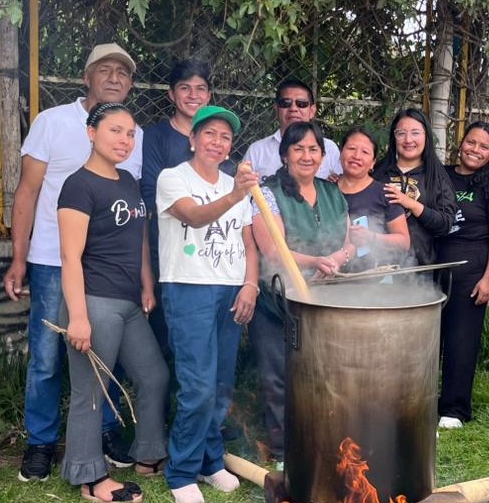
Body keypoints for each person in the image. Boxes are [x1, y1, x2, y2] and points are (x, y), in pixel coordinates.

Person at [3, 42, 143, 481]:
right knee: (47, 356)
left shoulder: (131, 134)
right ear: (87, 78)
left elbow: (129, 208)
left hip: (105, 270)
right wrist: (19, 258)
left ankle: (104, 432)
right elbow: (27, 192)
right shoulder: (52, 122)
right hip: (52, 260)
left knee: (106, 353)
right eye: (105, 70)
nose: (115, 78)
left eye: (123, 72)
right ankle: (40, 442)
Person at [57, 102, 168, 503]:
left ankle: (148, 454)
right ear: (92, 133)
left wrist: (146, 284)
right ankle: (89, 478)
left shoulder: (128, 182)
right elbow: (69, 257)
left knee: (154, 376)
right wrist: (78, 317)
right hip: (94, 300)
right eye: (115, 131)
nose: (125, 140)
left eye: (130, 133)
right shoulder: (78, 185)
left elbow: (139, 239)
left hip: (128, 301)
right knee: (91, 391)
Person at [156, 105, 260, 503]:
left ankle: (209, 460)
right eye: (210, 134)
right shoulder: (173, 178)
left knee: (220, 385)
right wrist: (236, 194)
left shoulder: (235, 184)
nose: (217, 142)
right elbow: (194, 217)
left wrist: (250, 285)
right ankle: (181, 471)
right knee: (197, 386)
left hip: (231, 289)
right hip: (189, 288)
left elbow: (248, 242)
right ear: (193, 139)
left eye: (225, 137)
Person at [251, 121, 355, 466]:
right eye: (298, 149)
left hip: (324, 300)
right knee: (280, 376)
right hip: (277, 301)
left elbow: (349, 241)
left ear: (323, 156)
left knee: (324, 373)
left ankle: (325, 441)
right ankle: (284, 450)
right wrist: (315, 261)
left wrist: (338, 257)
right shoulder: (267, 193)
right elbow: (272, 250)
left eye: (313, 149)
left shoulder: (332, 192)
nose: (306, 156)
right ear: (285, 155)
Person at [436, 122, 489, 429]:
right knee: (427, 339)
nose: (475, 150)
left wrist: (488, 278)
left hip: (471, 272)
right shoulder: (440, 174)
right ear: (461, 142)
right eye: (471, 142)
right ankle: (421, 400)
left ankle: (454, 409)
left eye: (484, 146)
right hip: (432, 268)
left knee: (461, 341)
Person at [141, 58, 213, 356]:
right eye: (185, 88)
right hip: (167, 246)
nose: (193, 95)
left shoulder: (215, 138)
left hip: (210, 249)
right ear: (171, 94)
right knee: (166, 328)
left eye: (200, 88)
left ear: (209, 95)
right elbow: (150, 192)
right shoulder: (155, 136)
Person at [372, 108, 457, 266]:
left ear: (426, 136)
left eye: (415, 133)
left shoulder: (436, 176)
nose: (408, 140)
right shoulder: (378, 173)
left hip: (420, 267)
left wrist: (411, 203)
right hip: (377, 266)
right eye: (401, 133)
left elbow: (445, 224)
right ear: (393, 137)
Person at [336, 126, 410, 270]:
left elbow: (404, 242)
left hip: (373, 277)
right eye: (351, 148)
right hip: (328, 276)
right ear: (341, 153)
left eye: (365, 152)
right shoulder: (325, 191)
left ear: (373, 162)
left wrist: (371, 237)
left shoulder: (385, 194)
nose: (356, 156)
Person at [242, 78, 342, 179]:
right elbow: (242, 187)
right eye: (286, 103)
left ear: (312, 111)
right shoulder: (257, 150)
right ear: (277, 109)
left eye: (301, 104)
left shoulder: (329, 148)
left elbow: (344, 183)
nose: (293, 109)